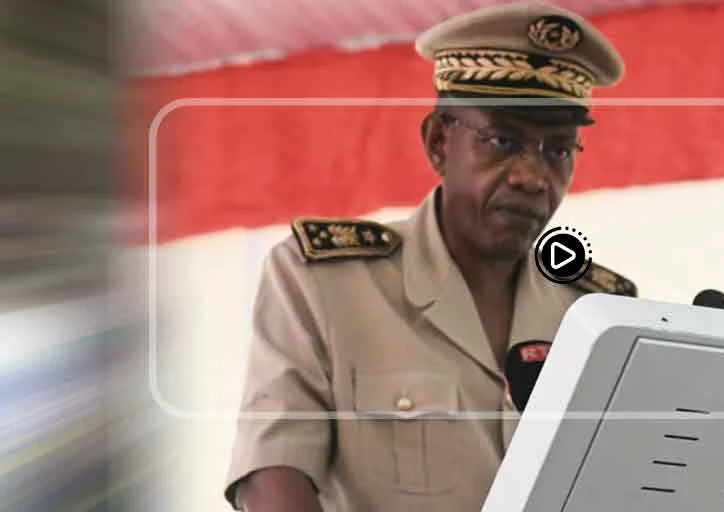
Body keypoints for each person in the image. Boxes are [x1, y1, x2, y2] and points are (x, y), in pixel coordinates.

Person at [223, 3, 635, 511]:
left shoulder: (598, 314)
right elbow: (272, 473)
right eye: (502, 141)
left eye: (558, 150)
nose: (531, 177)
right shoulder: (324, 283)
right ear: (439, 141)